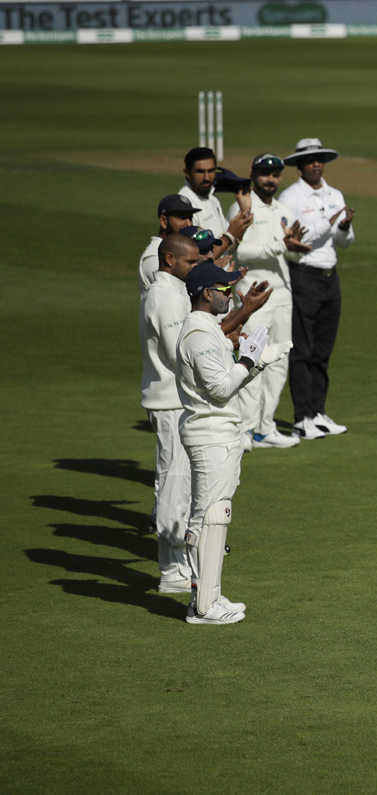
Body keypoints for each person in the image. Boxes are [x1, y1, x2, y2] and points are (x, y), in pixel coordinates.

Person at [177, 263, 286, 624]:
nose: (230, 295)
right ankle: (205, 606)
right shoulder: (199, 335)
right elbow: (221, 390)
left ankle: (208, 598)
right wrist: (250, 359)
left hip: (219, 433)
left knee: (210, 515)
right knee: (210, 517)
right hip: (211, 436)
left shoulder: (208, 330)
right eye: (224, 289)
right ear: (206, 293)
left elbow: (227, 380)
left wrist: (256, 363)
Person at [228, 153, 311, 450]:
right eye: (264, 173)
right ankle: (247, 431)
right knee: (252, 360)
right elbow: (241, 253)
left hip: (282, 295)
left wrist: (297, 249)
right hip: (254, 296)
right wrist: (280, 244)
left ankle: (266, 427)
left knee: (279, 361)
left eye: (275, 174)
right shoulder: (243, 208)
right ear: (253, 174)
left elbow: (286, 254)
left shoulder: (283, 210)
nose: (270, 179)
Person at [278, 138, 355, 440]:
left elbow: (344, 242)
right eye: (309, 160)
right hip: (303, 275)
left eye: (319, 159)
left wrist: (345, 226)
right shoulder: (290, 198)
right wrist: (330, 221)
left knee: (323, 350)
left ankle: (318, 412)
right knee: (303, 350)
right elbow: (301, 238)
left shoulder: (335, 194)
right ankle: (302, 418)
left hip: (330, 276)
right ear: (299, 165)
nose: (316, 164)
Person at [140, 233, 203, 593]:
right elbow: (178, 351)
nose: (195, 268)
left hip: (175, 399)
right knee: (173, 482)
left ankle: (179, 561)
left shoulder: (173, 287)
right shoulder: (163, 295)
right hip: (170, 401)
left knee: (181, 482)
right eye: (190, 262)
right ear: (169, 260)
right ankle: (171, 569)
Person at [179, 147, 249, 259]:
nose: (207, 178)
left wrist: (245, 213)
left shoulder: (211, 197)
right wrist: (230, 234)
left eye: (211, 171)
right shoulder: (185, 205)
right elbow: (196, 260)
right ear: (187, 173)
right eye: (200, 172)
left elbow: (230, 248)